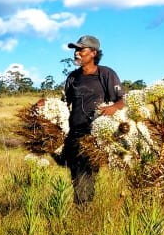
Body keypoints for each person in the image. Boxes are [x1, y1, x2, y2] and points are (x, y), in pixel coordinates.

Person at [47, 34, 125, 204]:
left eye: (81, 49)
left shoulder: (105, 74)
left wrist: (113, 108)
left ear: (93, 53)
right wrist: (45, 104)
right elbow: (63, 104)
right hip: (74, 134)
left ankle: (84, 210)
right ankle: (83, 209)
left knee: (84, 174)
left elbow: (122, 100)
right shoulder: (72, 77)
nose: (76, 53)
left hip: (94, 136)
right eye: (76, 50)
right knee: (77, 175)